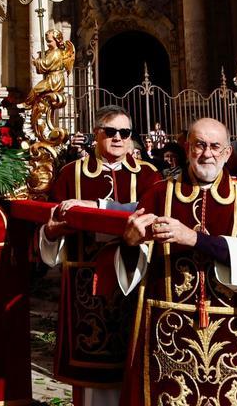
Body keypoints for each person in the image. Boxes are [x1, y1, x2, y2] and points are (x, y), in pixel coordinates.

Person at [117, 118, 237, 406]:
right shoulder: (159, 193)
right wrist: (130, 242)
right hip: (169, 332)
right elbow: (135, 264)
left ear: (227, 153)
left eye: (215, 146)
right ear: (186, 148)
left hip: (233, 330)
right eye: (199, 145)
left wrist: (196, 239)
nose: (207, 154)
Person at [39, 106, 162, 406]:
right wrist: (51, 233)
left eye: (125, 133)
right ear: (96, 135)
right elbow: (49, 224)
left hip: (136, 285)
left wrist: (97, 206)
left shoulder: (149, 175)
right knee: (92, 380)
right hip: (86, 289)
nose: (118, 138)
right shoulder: (70, 174)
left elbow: (155, 214)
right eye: (111, 132)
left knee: (137, 368)